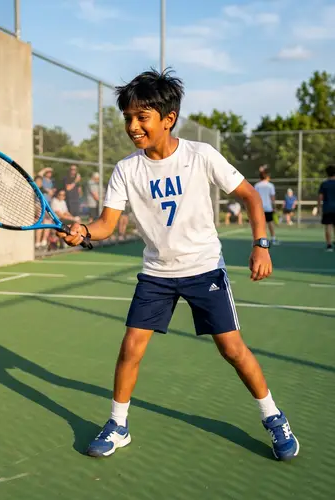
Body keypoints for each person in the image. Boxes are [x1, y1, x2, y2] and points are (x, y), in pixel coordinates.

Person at [57, 68, 299, 461]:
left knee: (233, 349)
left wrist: (261, 245)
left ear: (168, 119)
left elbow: (251, 197)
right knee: (130, 347)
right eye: (128, 118)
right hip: (157, 274)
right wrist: (82, 231)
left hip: (204, 268)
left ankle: (273, 417)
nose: (133, 126)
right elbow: (105, 225)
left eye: (142, 117)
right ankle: (118, 424)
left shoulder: (200, 155)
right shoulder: (126, 169)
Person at [254, 167, 278, 244]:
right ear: (267, 177)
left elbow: (255, 197)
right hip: (268, 207)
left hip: (259, 208)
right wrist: (274, 207)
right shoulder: (270, 185)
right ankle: (273, 239)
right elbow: (272, 198)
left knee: (259, 224)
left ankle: (258, 240)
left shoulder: (257, 185)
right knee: (270, 223)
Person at [318, 164, 335, 252]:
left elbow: (320, 197)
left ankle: (329, 245)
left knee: (328, 226)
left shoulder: (324, 184)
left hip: (327, 208)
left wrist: (319, 207)